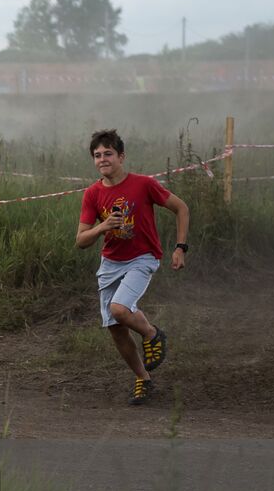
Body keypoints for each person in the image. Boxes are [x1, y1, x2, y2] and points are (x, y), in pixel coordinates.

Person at [75, 129, 189, 405]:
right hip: (111, 262)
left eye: (108, 154)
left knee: (119, 309)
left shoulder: (143, 184)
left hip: (143, 257)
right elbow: (80, 240)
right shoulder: (92, 194)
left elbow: (181, 208)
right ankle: (143, 379)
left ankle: (152, 333)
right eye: (97, 155)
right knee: (115, 327)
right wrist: (103, 226)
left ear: (121, 156)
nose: (103, 159)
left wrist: (180, 247)